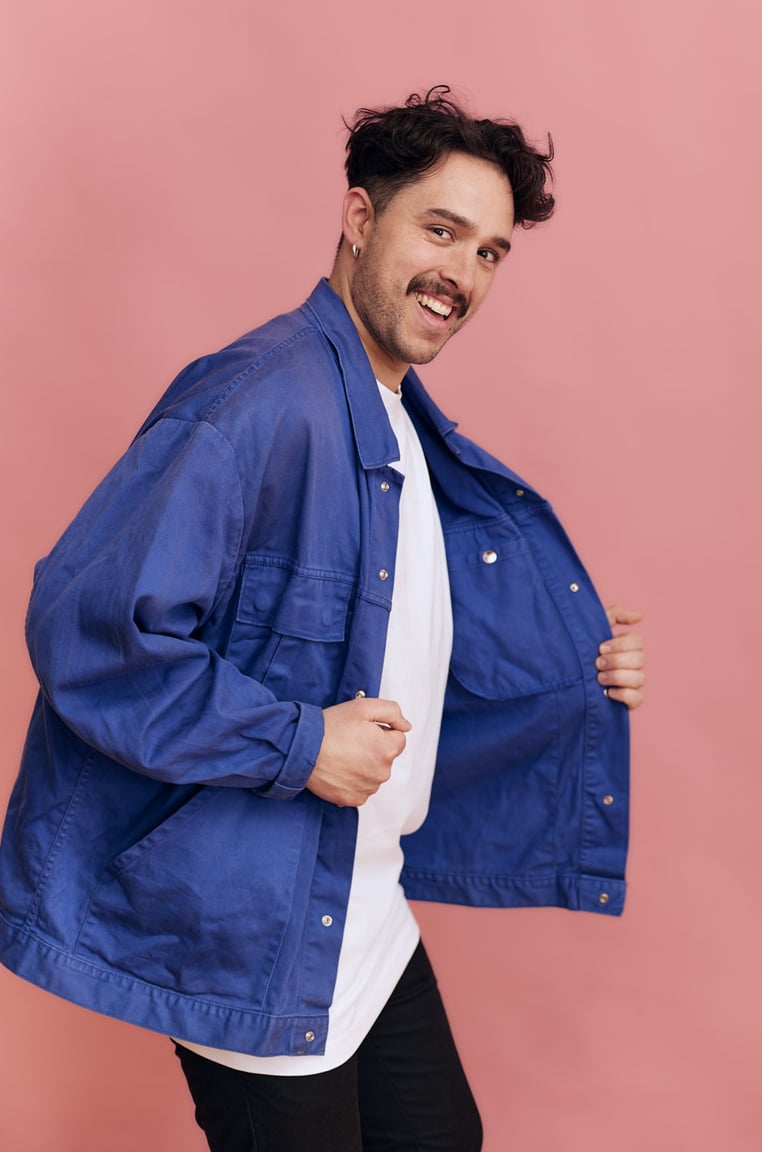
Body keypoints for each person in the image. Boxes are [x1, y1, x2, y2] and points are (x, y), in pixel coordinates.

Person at [0, 87, 645, 1151]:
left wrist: (572, 670)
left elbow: (400, 643)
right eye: (440, 230)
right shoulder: (257, 402)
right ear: (358, 219)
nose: (463, 274)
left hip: (359, 902)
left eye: (488, 253)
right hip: (250, 920)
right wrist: (300, 744)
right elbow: (93, 633)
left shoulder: (393, 416)